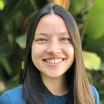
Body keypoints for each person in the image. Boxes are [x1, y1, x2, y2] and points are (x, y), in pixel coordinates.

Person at [0, 3, 100, 104]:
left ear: (76, 46)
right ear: (30, 46)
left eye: (64, 39)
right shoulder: (11, 100)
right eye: (42, 39)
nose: (53, 49)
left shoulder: (90, 94)